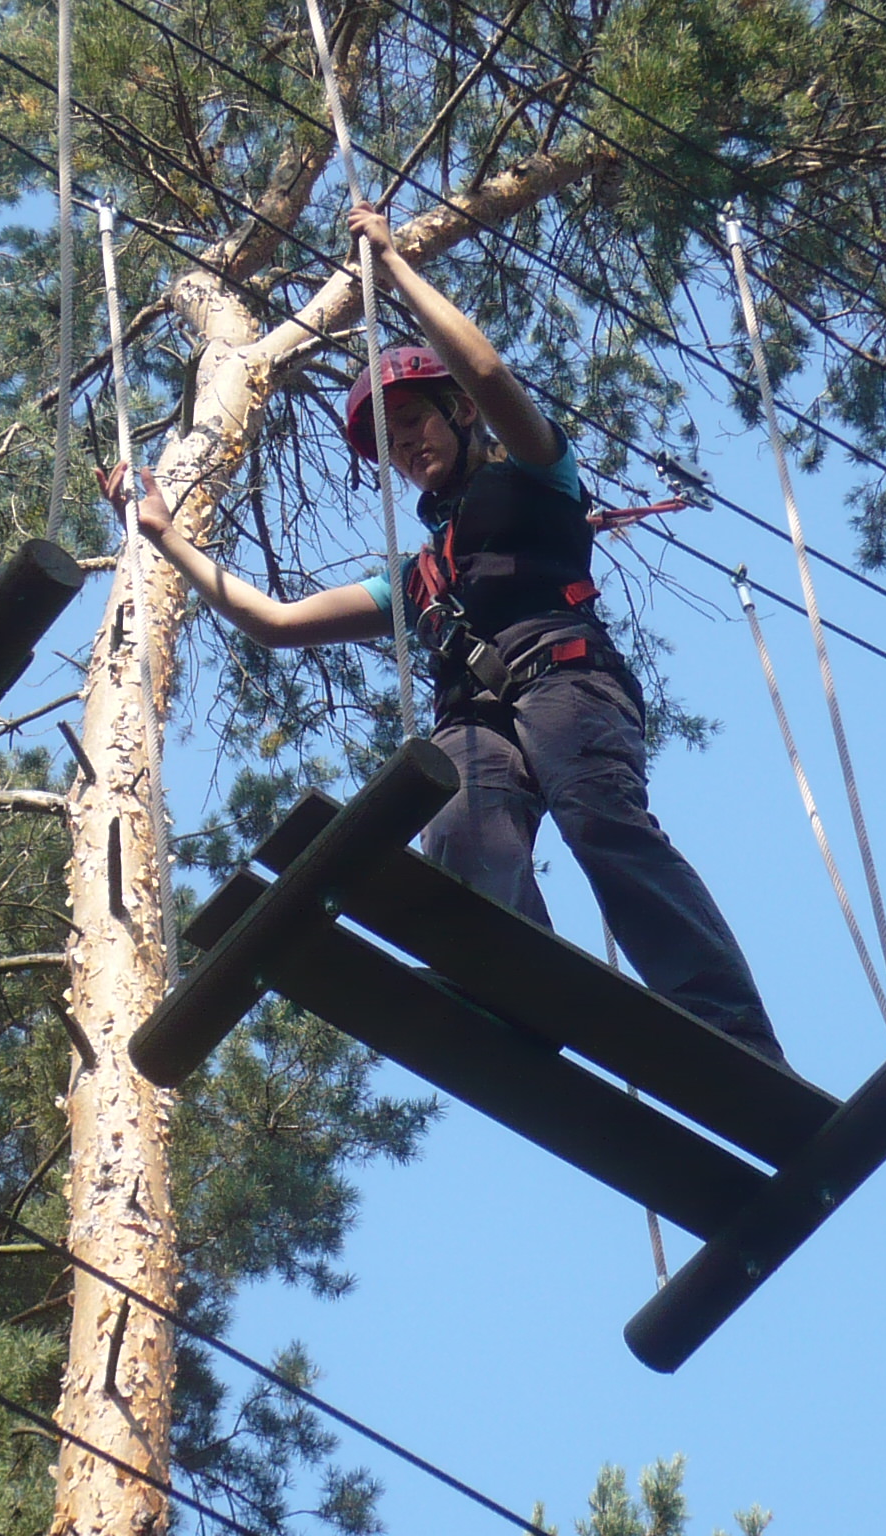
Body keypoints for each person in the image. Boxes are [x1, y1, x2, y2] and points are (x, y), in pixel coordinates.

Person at [100, 200, 784, 1064]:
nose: (406, 448)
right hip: (475, 717)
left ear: (457, 413)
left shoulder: (539, 476)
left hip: (567, 681)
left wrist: (394, 269)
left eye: (415, 422)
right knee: (458, 832)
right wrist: (166, 537)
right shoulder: (415, 578)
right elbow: (273, 623)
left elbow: (489, 371)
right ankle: (519, 996)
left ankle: (728, 1026)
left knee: (601, 823)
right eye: (390, 444)